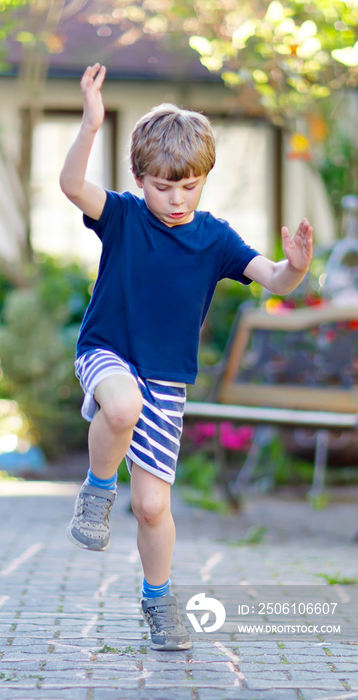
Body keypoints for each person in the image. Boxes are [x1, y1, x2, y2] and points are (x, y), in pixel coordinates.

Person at [60, 64, 313, 651]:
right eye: (162, 186)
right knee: (120, 406)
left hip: (167, 381)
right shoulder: (122, 216)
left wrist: (296, 264)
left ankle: (158, 600)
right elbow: (74, 186)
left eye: (189, 186)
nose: (175, 199)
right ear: (140, 179)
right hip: (107, 354)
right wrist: (90, 125)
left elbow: (274, 279)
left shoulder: (215, 238)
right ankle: (97, 490)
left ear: (204, 180)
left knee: (152, 506)